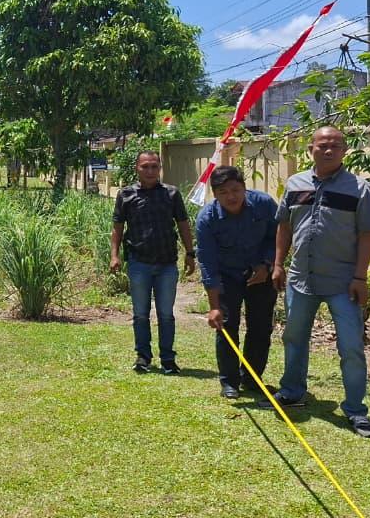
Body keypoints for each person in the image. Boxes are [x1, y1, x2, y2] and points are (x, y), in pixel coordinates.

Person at [268, 126, 370, 438]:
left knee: (351, 347)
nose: (328, 150)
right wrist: (278, 264)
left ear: (345, 151)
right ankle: (292, 391)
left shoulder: (358, 188)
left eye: (335, 145)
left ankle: (356, 410)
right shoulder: (295, 184)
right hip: (299, 279)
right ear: (311, 150)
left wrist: (360, 276)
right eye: (322, 145)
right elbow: (284, 228)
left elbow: (366, 234)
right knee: (294, 337)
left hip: (343, 281)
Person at [195, 166, 280, 399]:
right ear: (214, 194)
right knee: (227, 326)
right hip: (226, 277)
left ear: (245, 188)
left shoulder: (264, 204)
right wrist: (213, 306)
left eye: (235, 190)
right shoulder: (206, 219)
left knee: (261, 327)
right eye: (223, 192)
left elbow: (278, 236)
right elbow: (208, 264)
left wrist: (267, 264)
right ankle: (229, 382)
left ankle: (253, 379)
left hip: (260, 274)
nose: (231, 197)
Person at [109, 150, 196, 374]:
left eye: (154, 166)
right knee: (140, 313)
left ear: (160, 169)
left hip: (167, 263)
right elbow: (117, 227)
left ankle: (168, 359)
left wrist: (190, 252)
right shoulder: (126, 195)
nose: (150, 171)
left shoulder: (171, 194)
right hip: (139, 263)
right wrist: (114, 255)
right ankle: (143, 357)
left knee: (166, 314)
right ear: (137, 168)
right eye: (145, 166)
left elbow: (183, 224)